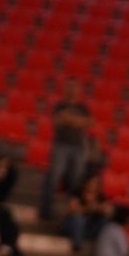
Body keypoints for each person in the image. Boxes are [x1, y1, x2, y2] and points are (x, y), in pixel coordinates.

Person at [40, 82, 93, 221]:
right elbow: (57, 121)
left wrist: (69, 119)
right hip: (61, 145)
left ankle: (71, 212)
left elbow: (89, 123)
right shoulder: (60, 105)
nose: (73, 91)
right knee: (53, 177)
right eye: (71, 88)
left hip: (78, 147)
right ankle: (45, 211)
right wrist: (77, 121)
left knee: (75, 180)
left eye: (76, 89)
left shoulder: (82, 107)